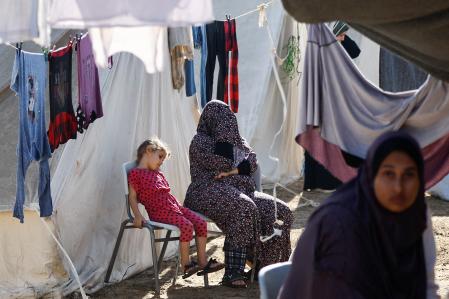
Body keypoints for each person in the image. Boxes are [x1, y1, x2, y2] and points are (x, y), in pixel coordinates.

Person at [279, 131, 428, 299]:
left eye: (409, 174)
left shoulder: (411, 217)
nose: (398, 188)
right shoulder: (340, 224)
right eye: (388, 174)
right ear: (372, 175)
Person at [184, 100, 293, 288]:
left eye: (228, 120)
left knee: (281, 212)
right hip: (205, 190)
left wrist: (236, 168)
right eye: (221, 121)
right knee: (242, 207)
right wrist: (229, 149)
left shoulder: (239, 141)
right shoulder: (200, 141)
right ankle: (233, 271)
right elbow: (222, 163)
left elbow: (252, 163)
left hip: (244, 191)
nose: (225, 124)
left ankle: (266, 267)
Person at [128, 137, 224, 279]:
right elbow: (132, 197)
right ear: (148, 151)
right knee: (187, 226)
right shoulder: (135, 174)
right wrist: (137, 215)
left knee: (200, 223)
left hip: (174, 207)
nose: (161, 162)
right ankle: (186, 264)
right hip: (159, 211)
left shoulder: (157, 172)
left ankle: (203, 262)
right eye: (160, 157)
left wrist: (178, 208)